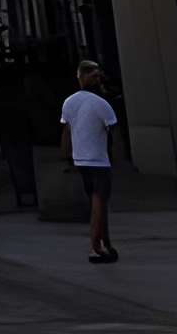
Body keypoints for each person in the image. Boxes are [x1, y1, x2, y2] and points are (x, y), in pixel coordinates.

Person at [60, 59, 119, 264]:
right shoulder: (102, 104)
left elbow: (67, 130)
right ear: (83, 77)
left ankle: (105, 244)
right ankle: (96, 247)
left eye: (98, 75)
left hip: (82, 160)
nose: (98, 79)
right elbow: (113, 131)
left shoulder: (69, 102)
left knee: (97, 202)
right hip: (98, 161)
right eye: (94, 76)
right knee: (98, 203)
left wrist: (67, 156)